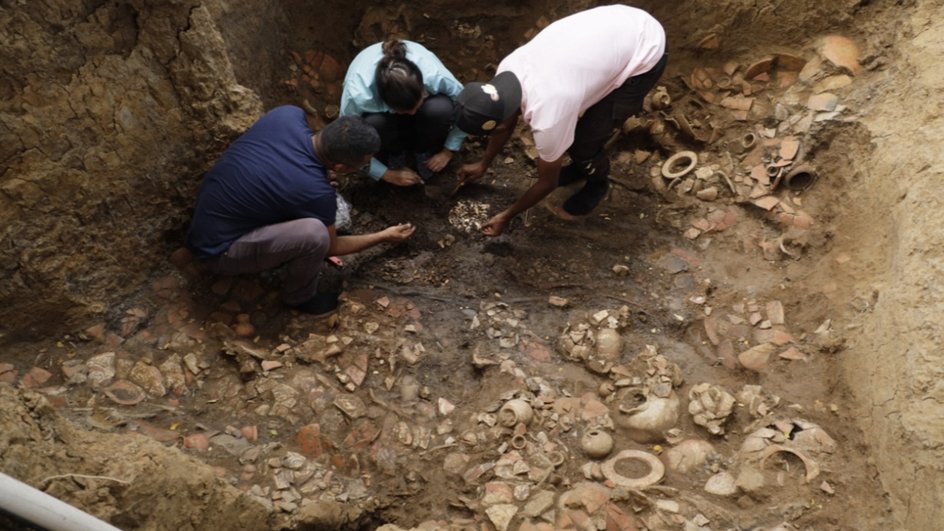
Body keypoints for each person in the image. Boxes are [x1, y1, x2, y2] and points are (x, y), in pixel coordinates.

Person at [454, 5, 667, 236]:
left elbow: (548, 183)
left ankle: (597, 182)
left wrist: (506, 216)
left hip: (645, 50)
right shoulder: (507, 71)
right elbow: (506, 121)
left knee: (584, 143)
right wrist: (484, 164)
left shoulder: (548, 116)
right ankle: (580, 166)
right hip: (617, 25)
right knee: (582, 126)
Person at [186, 105, 415, 315]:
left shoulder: (287, 115)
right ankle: (299, 297)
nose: (362, 169)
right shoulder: (317, 192)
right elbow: (331, 247)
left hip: (210, 216)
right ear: (340, 167)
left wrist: (320, 175)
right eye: (361, 165)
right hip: (218, 251)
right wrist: (384, 236)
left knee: (312, 219)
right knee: (315, 235)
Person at [340, 38, 467, 186]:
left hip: (426, 113)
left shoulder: (435, 76)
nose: (413, 113)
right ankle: (394, 153)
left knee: (440, 109)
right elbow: (347, 142)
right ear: (385, 103)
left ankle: (424, 149)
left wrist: (448, 151)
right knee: (375, 123)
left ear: (422, 87)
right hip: (383, 120)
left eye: (417, 106)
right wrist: (385, 174)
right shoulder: (357, 95)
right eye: (405, 111)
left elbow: (466, 109)